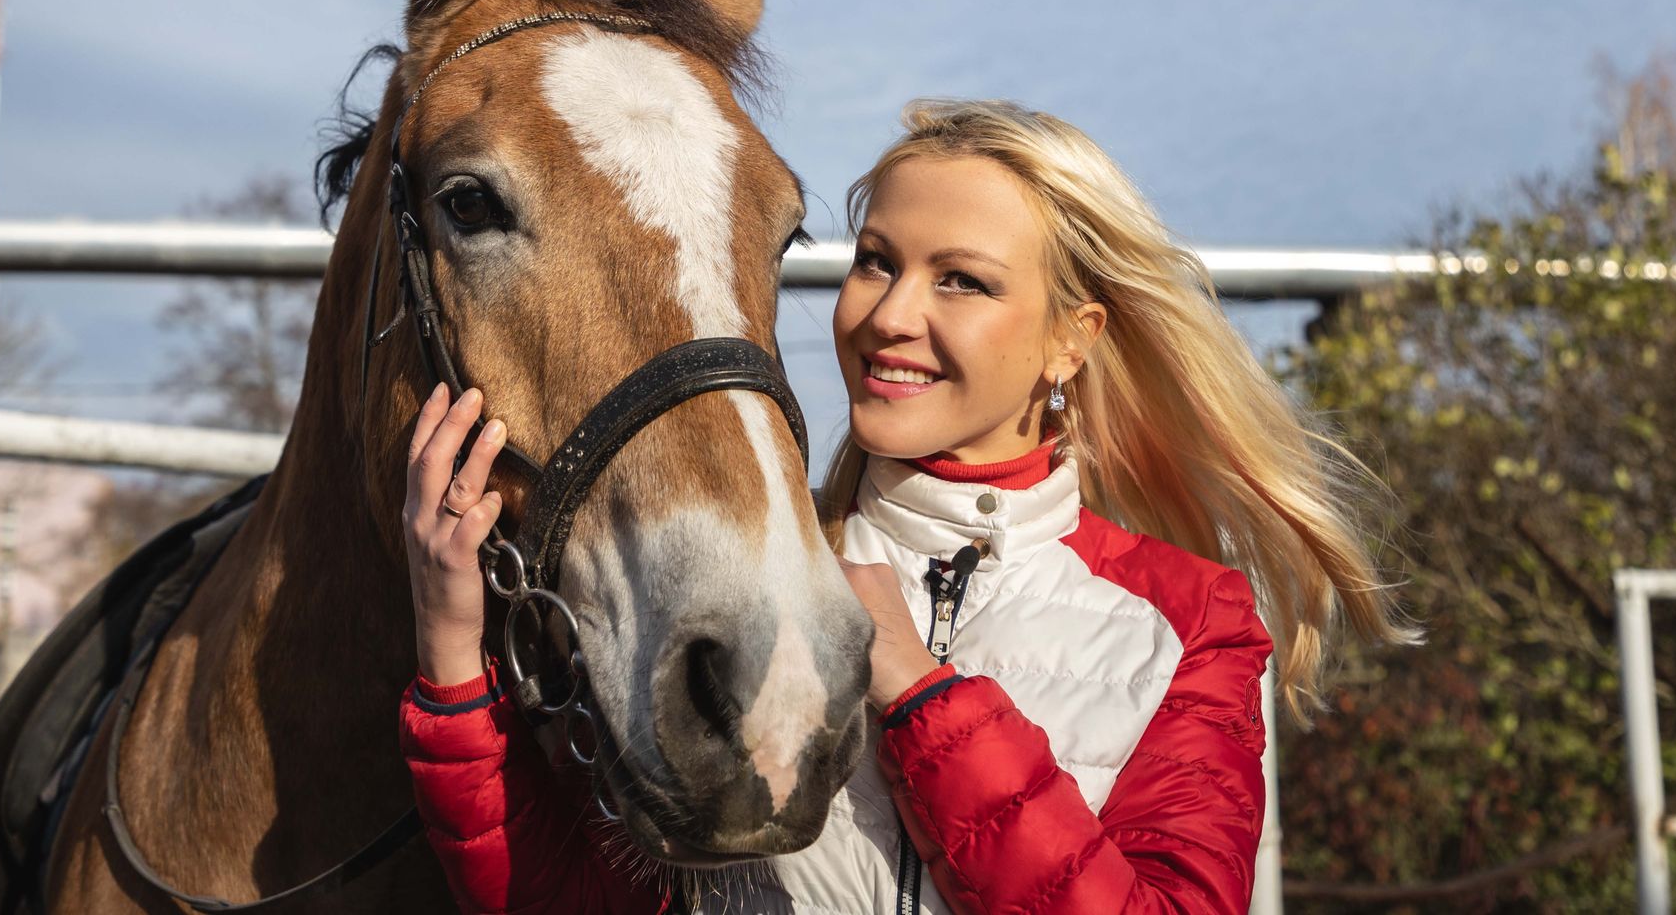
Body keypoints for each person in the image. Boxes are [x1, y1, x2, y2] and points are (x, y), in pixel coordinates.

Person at [397, 99, 1413, 913]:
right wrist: (451, 655)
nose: (890, 315)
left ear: (1071, 340)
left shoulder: (1192, 620)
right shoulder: (748, 581)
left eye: (960, 281)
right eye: (877, 261)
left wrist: (921, 694)